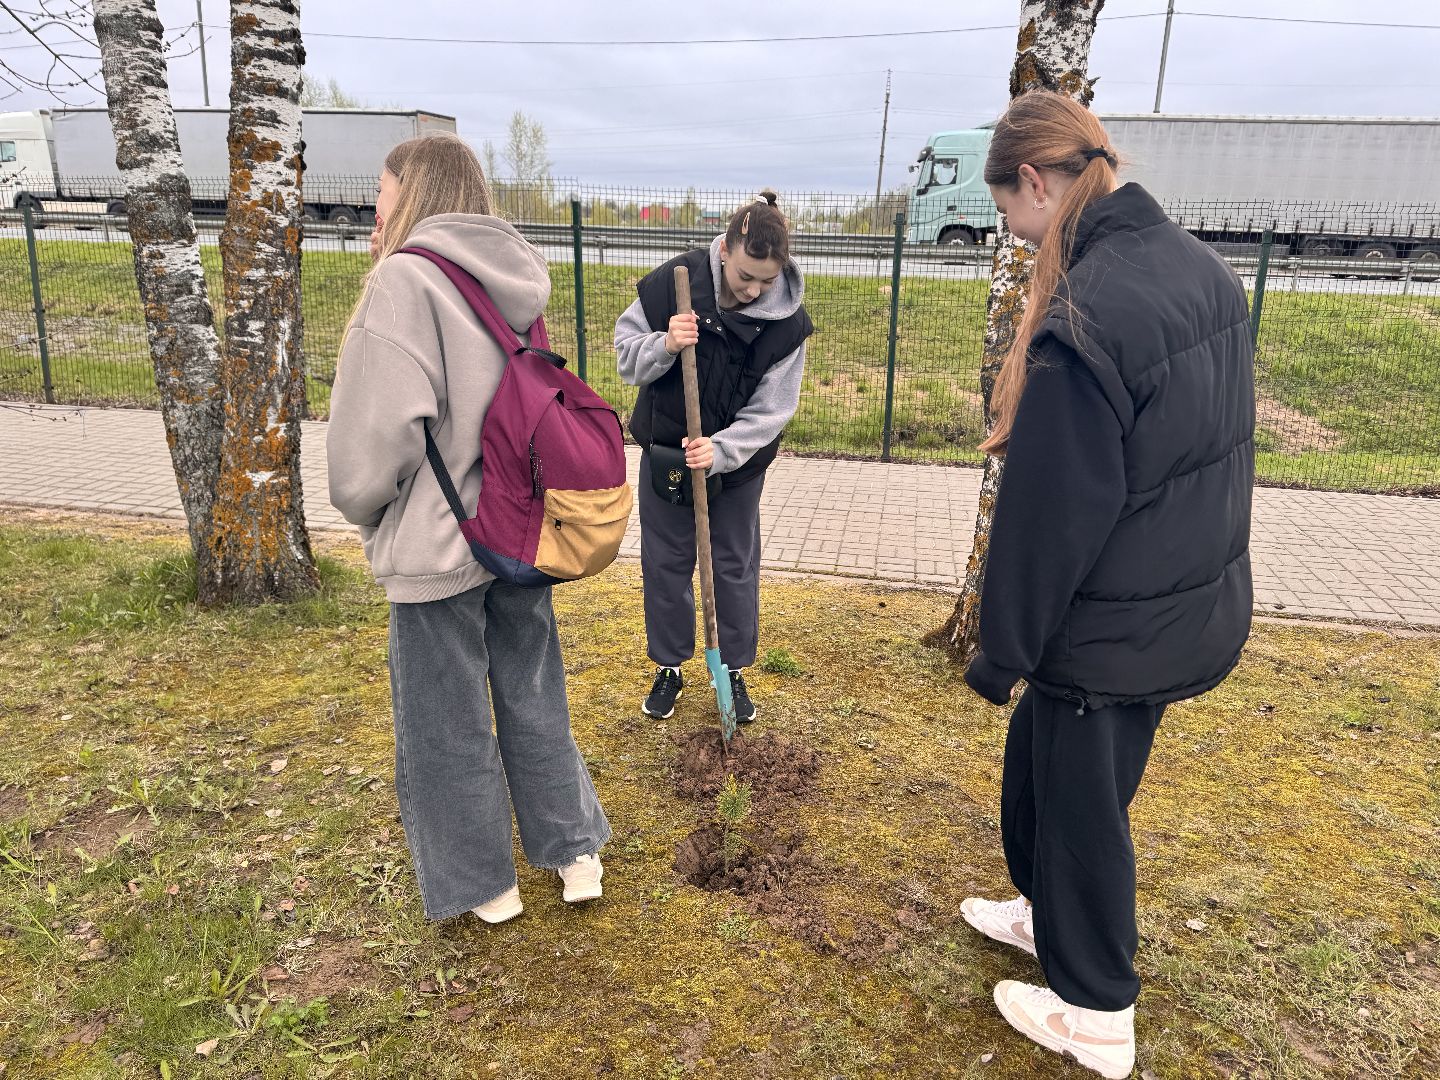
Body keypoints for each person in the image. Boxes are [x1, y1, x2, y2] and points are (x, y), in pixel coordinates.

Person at [957, 92, 1255, 1078]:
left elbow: (1051, 512)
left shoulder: (1091, 313)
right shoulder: (1200, 270)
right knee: (1055, 777)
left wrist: (1000, 652)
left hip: (1114, 620)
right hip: (1178, 598)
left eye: (1007, 213)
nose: (1012, 230)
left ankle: (1095, 1011)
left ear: (1035, 183)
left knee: (1084, 807)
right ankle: (1049, 916)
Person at [326, 133, 610, 926]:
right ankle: (574, 849)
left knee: (445, 721)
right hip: (522, 538)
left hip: (439, 543)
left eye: (380, 203)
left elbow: (366, 456)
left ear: (410, 197)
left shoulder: (403, 286)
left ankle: (486, 883)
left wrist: (369, 513)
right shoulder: (516, 278)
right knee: (532, 694)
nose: (373, 221)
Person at [615, 190, 814, 724]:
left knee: (732, 564)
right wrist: (664, 345)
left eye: (765, 281)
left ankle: (732, 668)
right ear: (724, 250)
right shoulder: (672, 285)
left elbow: (774, 409)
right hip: (667, 452)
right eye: (745, 275)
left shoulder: (788, 323)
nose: (753, 291)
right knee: (666, 563)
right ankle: (671, 666)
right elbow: (625, 360)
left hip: (738, 464)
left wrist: (722, 450)